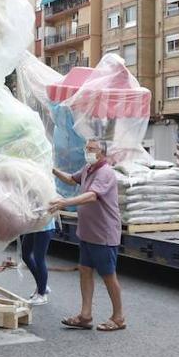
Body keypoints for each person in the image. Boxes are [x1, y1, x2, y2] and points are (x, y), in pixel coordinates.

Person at [50, 139, 124, 332]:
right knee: (84, 271)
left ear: (102, 153)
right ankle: (85, 315)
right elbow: (71, 179)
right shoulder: (88, 169)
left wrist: (64, 203)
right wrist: (52, 169)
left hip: (103, 234)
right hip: (88, 233)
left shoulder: (105, 173)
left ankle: (118, 317)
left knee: (108, 275)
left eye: (92, 149)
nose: (87, 151)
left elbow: (92, 196)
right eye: (87, 148)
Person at [19, 215, 55, 305]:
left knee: (39, 259)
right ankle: (42, 285)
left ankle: (41, 295)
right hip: (33, 226)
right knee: (25, 254)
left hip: (44, 226)